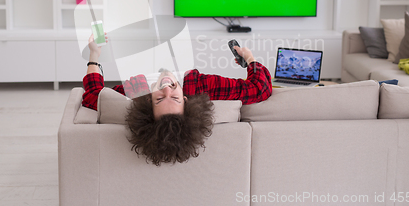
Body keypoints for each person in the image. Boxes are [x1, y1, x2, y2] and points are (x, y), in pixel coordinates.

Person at [82, 34, 272, 166]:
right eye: (175, 97)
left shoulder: (137, 91)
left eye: (159, 99)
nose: (166, 87)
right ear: (187, 100)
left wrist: (94, 55)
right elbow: (259, 89)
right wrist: (249, 58)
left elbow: (93, 96)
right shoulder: (202, 87)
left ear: (148, 103)